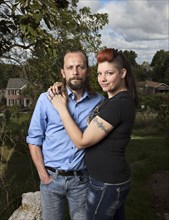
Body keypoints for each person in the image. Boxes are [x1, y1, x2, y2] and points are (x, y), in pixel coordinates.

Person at [48, 48, 138, 220]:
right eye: (99, 73)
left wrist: (61, 108)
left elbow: (82, 141)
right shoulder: (113, 101)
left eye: (109, 73)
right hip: (111, 181)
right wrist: (63, 85)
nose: (103, 79)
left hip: (107, 183)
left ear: (123, 73)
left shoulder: (118, 104)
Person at [26, 49, 104, 220]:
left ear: (88, 70)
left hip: (82, 181)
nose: (75, 72)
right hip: (51, 180)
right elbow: (34, 140)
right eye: (69, 67)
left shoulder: (98, 102)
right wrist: (43, 176)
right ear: (63, 72)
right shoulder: (46, 99)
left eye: (79, 67)